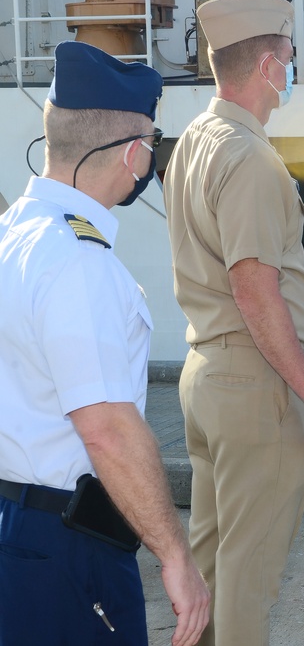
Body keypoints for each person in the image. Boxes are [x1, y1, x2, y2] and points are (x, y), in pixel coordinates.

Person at [0, 41, 209, 645]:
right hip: (69, 544)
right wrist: (175, 555)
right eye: (152, 145)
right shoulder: (78, 262)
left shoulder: (17, 233)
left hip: (19, 528)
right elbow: (107, 428)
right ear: (132, 152)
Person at [162, 0, 304, 646]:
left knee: (212, 566)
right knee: (248, 577)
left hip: (207, 374)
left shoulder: (193, 141)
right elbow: (254, 288)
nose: (295, 69)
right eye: (291, 57)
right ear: (269, 65)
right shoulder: (250, 158)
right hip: (250, 382)